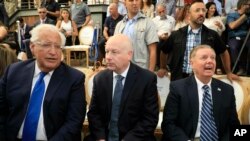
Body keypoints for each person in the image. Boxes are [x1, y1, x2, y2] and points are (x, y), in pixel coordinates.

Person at [0, 24, 86, 141]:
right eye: (46, 45)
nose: (53, 52)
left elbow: (74, 122)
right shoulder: (13, 71)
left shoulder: (74, 79)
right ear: (32, 47)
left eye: (58, 47)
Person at [86, 34, 159, 141]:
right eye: (107, 51)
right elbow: (94, 114)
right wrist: (100, 138)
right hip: (104, 137)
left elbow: (149, 119)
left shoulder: (146, 79)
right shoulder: (100, 79)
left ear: (129, 55)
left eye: (114, 52)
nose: (108, 57)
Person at [161, 45, 240, 141]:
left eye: (213, 58)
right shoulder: (178, 88)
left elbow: (234, 125)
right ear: (192, 63)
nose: (210, 61)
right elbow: (168, 124)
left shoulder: (227, 90)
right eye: (204, 57)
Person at [158, 0, 239, 82]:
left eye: (203, 10)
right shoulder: (177, 34)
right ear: (189, 14)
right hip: (179, 79)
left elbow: (224, 52)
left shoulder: (212, 35)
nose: (201, 13)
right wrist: (162, 68)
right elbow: (164, 51)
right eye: (197, 10)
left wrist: (228, 72)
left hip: (203, 81)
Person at [115, 0, 159, 72]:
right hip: (121, 70)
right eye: (131, 0)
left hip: (141, 71)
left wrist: (150, 74)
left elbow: (153, 50)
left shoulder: (148, 23)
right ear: (125, 3)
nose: (135, 3)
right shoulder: (119, 25)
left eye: (137, 0)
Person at [226, 0, 250, 76]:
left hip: (247, 37)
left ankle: (248, 69)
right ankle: (240, 68)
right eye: (248, 5)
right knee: (234, 46)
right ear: (242, 5)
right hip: (234, 37)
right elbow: (232, 26)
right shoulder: (232, 15)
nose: (249, 6)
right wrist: (245, 16)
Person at [152, 3, 175, 68]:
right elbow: (153, 33)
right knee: (160, 43)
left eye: (163, 11)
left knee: (173, 43)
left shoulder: (172, 19)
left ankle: (169, 64)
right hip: (159, 38)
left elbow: (173, 31)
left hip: (169, 38)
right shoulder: (154, 21)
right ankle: (159, 65)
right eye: (160, 12)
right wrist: (160, 36)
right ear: (157, 13)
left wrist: (169, 36)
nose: (162, 13)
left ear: (166, 10)